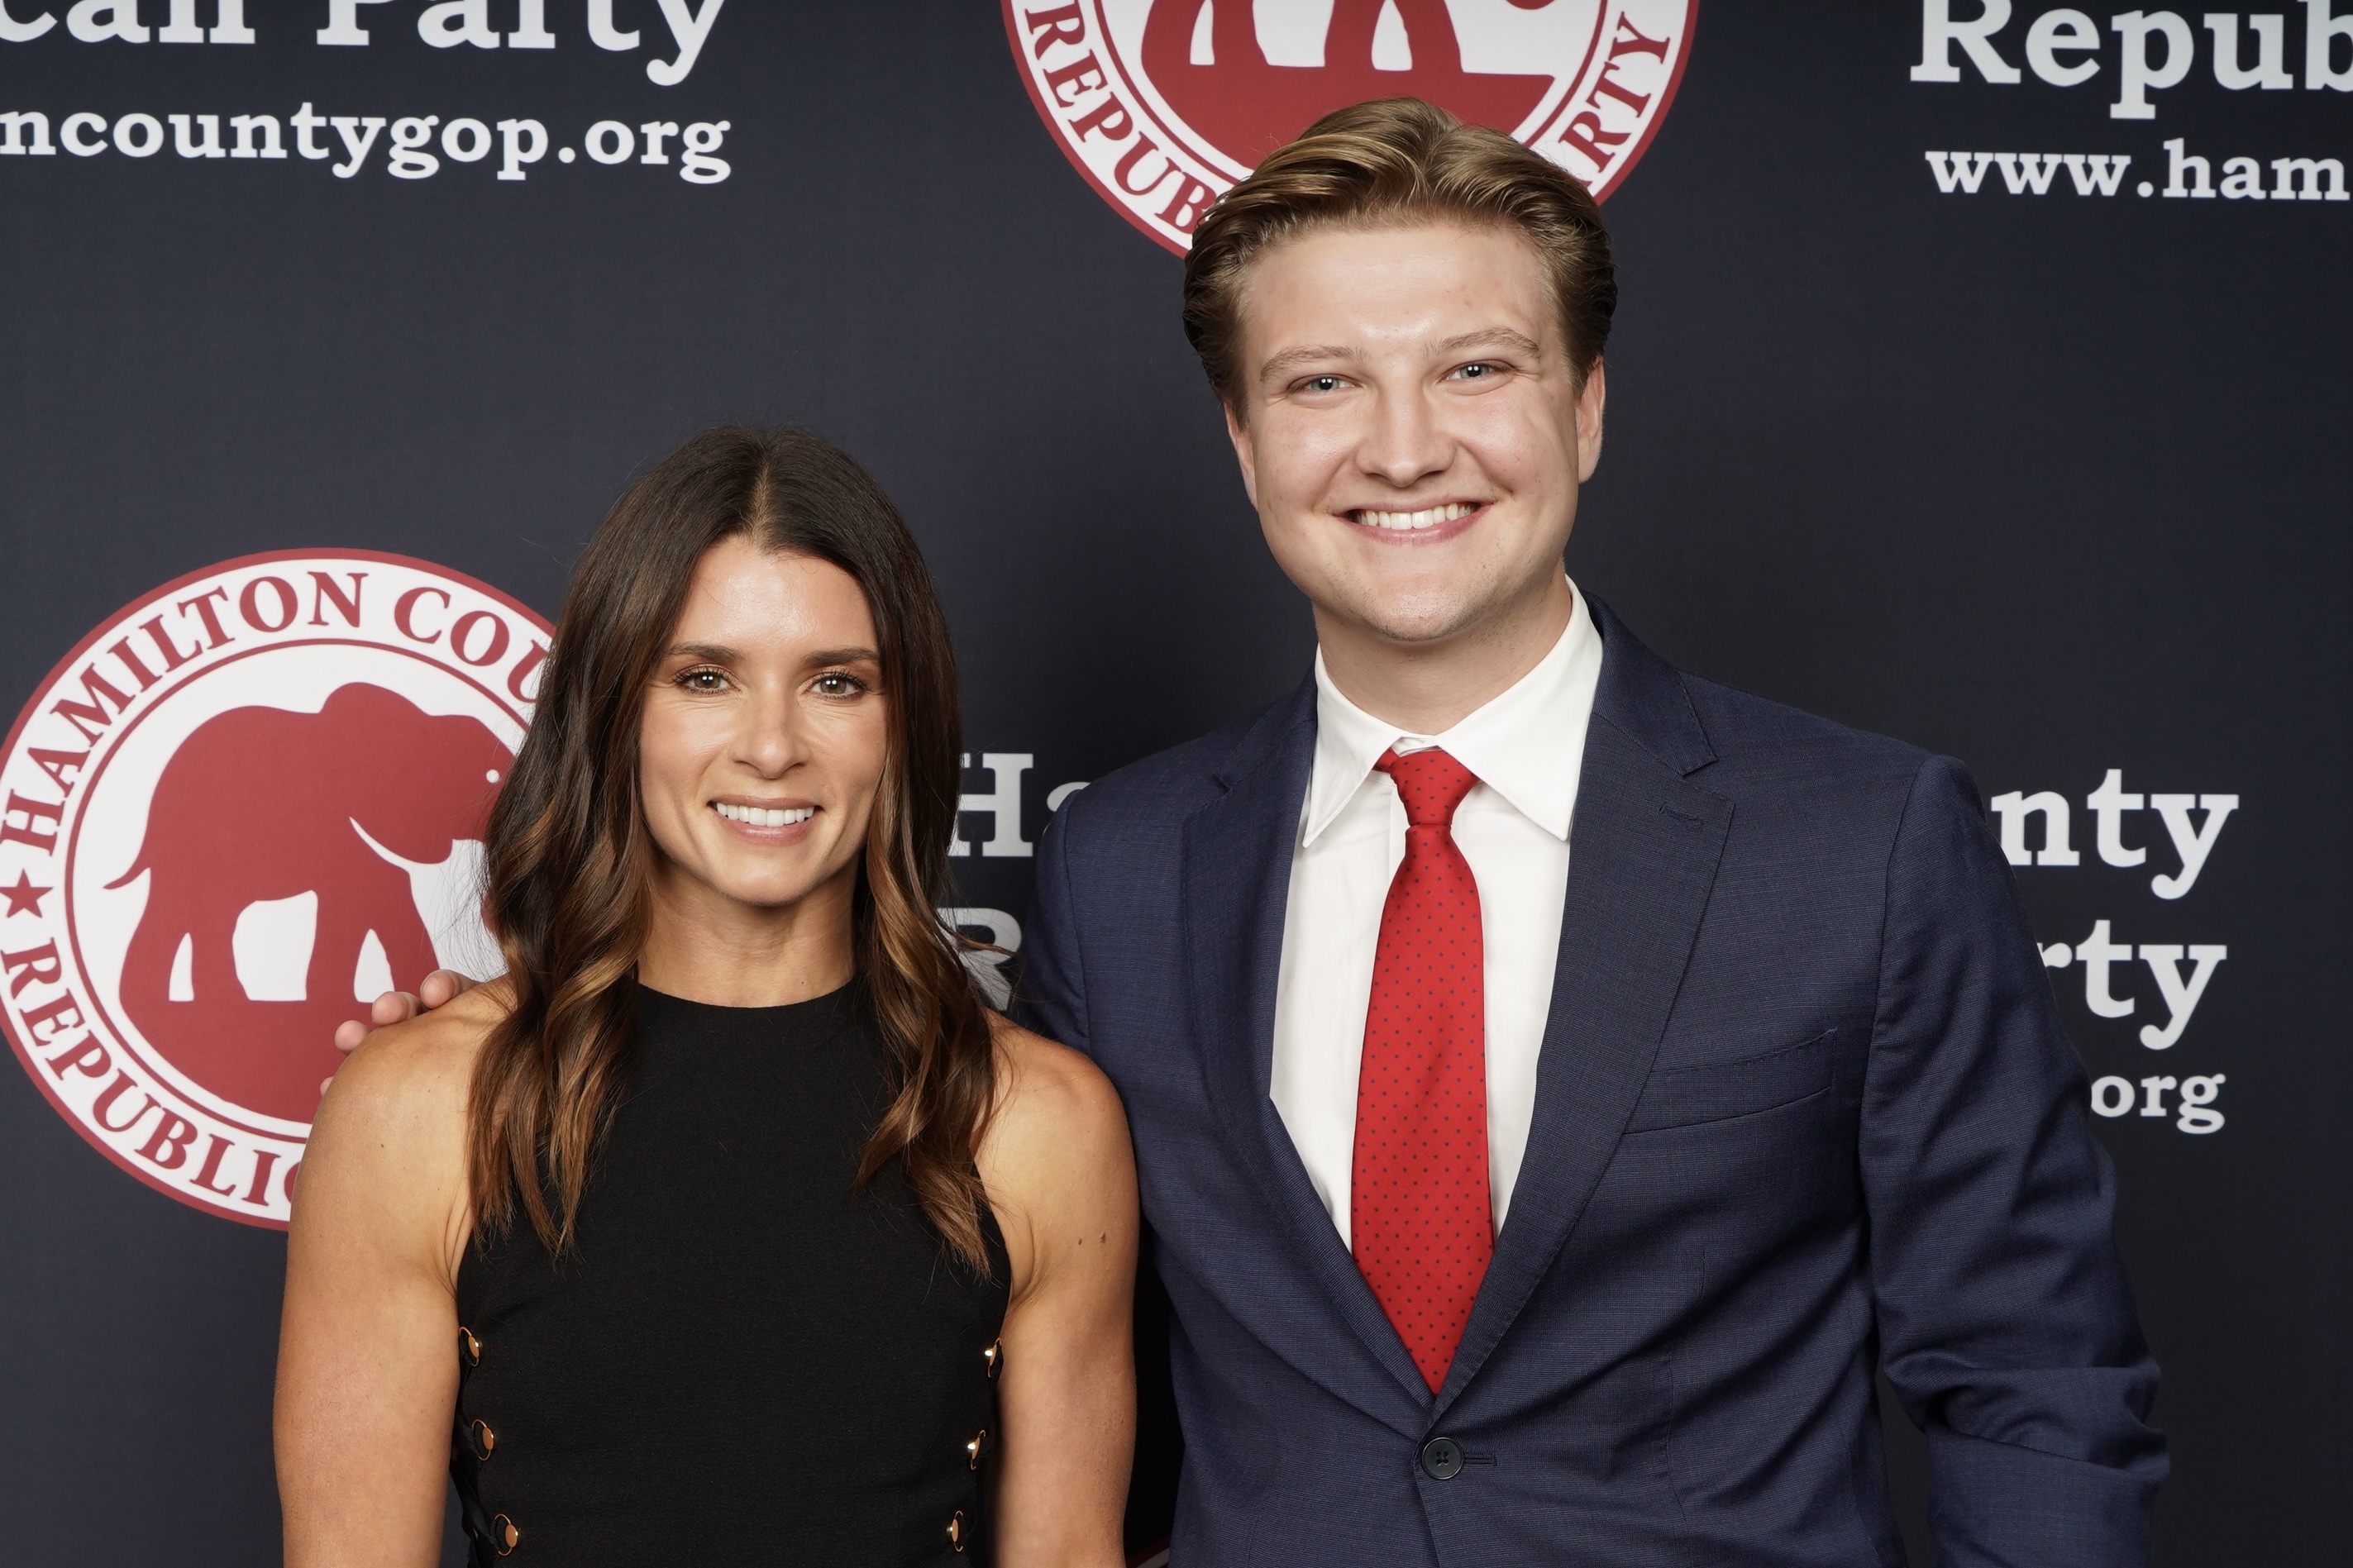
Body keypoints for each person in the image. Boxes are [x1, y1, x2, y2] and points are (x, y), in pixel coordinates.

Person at [341, 101, 2166, 1566]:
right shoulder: (1126, 870)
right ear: (1240, 435)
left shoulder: (1858, 836)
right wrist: (518, 1044)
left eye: (1474, 371)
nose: (1400, 446)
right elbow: (1014, 1363)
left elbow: (2037, 1388)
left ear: (1586, 408)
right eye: (1319, 384)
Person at [276, 427, 1137, 1567]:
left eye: (837, 681)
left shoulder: (1036, 1120)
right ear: (615, 708)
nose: (772, 744)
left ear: (901, 721)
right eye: (705, 676)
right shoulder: (422, 1106)